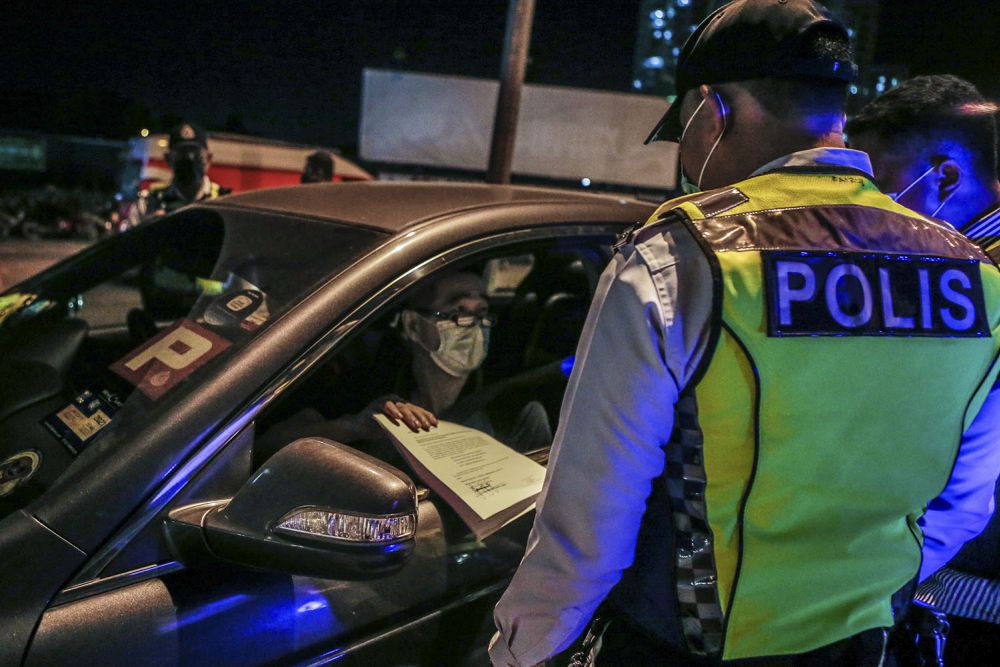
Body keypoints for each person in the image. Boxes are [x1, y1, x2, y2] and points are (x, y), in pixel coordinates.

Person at [488, 2, 1000, 666]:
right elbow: (964, 504)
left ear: (712, 110)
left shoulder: (680, 259)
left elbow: (587, 533)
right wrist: (849, 590)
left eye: (684, 132)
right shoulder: (975, 277)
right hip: (861, 646)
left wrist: (520, 649)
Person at [849, 75, 1000, 664]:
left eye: (878, 182)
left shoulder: (976, 287)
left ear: (943, 177)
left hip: (968, 603)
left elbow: (966, 498)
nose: (863, 205)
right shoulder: (956, 269)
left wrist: (859, 589)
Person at [256, 269, 551, 460]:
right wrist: (354, 427)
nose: (472, 325)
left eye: (482, 312)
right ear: (412, 325)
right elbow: (269, 445)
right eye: (457, 310)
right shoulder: (369, 388)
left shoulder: (511, 410)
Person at [848, 75, 1000, 260]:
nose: (864, 204)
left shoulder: (975, 266)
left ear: (946, 179)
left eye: (878, 188)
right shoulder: (951, 256)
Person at [130, 122, 231, 224]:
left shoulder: (225, 202)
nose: (189, 159)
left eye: (196, 154)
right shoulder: (148, 205)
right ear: (168, 159)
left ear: (209, 158)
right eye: (181, 154)